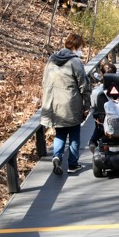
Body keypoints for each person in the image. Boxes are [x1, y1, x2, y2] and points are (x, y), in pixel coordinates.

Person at [41, 33, 91, 175]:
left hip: (53, 104)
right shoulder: (75, 62)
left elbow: (44, 82)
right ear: (75, 46)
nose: (81, 50)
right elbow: (84, 85)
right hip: (71, 103)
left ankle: (57, 156)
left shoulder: (51, 59)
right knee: (74, 133)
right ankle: (72, 164)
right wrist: (87, 104)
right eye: (81, 47)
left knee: (60, 133)